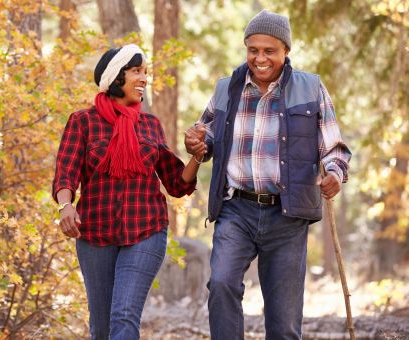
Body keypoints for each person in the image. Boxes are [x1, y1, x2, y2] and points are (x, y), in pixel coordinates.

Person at [185, 10, 352, 340]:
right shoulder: (227, 89)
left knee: (284, 320)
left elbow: (335, 149)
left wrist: (334, 173)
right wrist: (197, 141)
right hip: (236, 210)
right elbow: (207, 135)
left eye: (269, 51)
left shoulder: (311, 89)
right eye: (253, 50)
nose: (260, 58)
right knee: (220, 284)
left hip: (287, 215)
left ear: (286, 50)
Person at [52, 44, 204, 340]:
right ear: (115, 77)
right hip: (94, 233)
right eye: (137, 71)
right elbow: (65, 172)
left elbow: (177, 183)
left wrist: (197, 156)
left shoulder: (150, 125)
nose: (144, 78)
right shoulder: (82, 122)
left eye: (145, 71)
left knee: (124, 315)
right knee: (102, 326)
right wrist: (65, 206)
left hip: (146, 230)